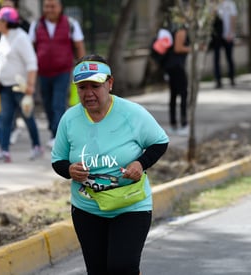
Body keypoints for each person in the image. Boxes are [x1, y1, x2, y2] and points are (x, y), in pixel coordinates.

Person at [51, 54, 169, 274]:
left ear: (110, 83)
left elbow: (159, 142)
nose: (88, 94)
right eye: (82, 87)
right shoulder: (69, 119)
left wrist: (141, 163)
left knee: (121, 267)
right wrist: (69, 169)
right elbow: (58, 160)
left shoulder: (132, 113)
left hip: (130, 204)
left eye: (95, 86)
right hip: (88, 208)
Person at [28, 0, 86, 149]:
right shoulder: (36, 26)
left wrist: (82, 67)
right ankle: (53, 130)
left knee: (58, 103)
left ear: (60, 8)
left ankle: (57, 135)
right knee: (47, 104)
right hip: (43, 72)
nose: (49, 9)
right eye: (47, 6)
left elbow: (79, 46)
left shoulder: (70, 24)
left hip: (63, 71)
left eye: (53, 6)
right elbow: (31, 48)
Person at [0, 6, 42, 163]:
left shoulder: (20, 38)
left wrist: (30, 85)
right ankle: (4, 151)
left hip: (21, 86)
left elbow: (32, 63)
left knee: (27, 117)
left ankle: (37, 146)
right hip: (5, 85)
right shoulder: (4, 37)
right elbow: (4, 61)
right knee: (5, 119)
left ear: (6, 22)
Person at [164, 22, 191, 136]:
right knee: (183, 94)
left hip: (171, 66)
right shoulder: (181, 29)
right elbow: (178, 48)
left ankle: (173, 123)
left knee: (174, 95)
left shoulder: (174, 27)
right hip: (177, 67)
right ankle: (184, 124)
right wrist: (192, 48)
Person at [212, 0, 237, 88]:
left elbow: (233, 19)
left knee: (229, 57)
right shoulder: (214, 4)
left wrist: (231, 33)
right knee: (216, 58)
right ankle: (218, 80)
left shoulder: (230, 4)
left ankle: (232, 77)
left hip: (228, 35)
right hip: (217, 36)